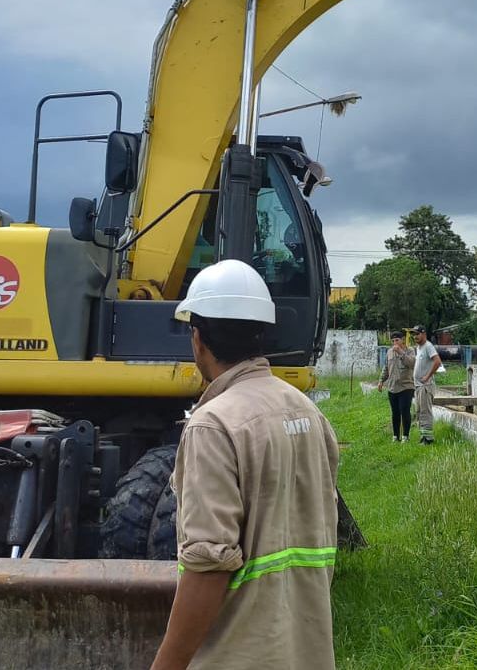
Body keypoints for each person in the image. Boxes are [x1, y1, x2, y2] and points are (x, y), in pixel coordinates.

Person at [151, 259, 340, 670]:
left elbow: (207, 568)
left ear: (198, 338)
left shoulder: (212, 427)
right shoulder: (308, 412)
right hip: (305, 653)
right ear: (261, 334)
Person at [378, 330, 416, 442]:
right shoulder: (389, 352)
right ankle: (395, 436)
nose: (395, 342)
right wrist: (381, 381)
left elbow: (412, 363)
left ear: (402, 340)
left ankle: (406, 436)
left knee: (404, 410)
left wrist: (400, 352)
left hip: (406, 386)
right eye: (393, 341)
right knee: (395, 412)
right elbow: (386, 367)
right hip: (392, 386)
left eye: (397, 340)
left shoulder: (410, 350)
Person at [411, 325, 442, 446]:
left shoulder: (428, 346)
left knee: (425, 412)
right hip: (418, 386)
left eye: (417, 334)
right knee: (420, 412)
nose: (415, 336)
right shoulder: (419, 348)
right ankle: (423, 436)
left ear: (424, 334)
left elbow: (437, 361)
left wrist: (428, 376)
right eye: (414, 334)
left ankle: (428, 440)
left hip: (425, 386)